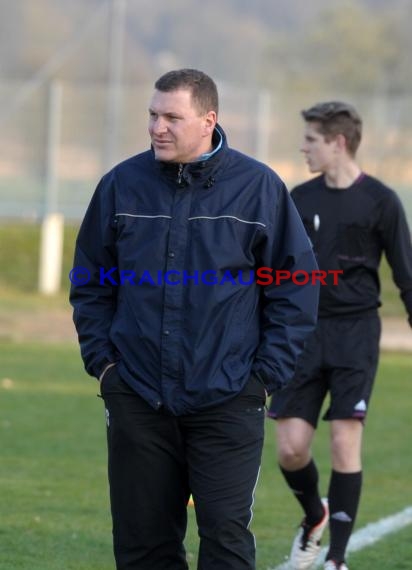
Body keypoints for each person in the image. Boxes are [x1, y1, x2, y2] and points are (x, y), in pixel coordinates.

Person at [69, 68, 319, 570]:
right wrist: (105, 366)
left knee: (225, 543)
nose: (157, 127)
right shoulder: (121, 185)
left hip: (228, 399)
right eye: (153, 115)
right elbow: (91, 280)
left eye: (171, 117)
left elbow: (295, 288)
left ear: (208, 120)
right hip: (137, 396)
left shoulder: (259, 188)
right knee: (143, 548)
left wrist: (262, 377)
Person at [268, 101, 412, 570]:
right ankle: (314, 516)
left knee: (344, 442)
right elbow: (274, 272)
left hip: (355, 335)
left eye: (311, 140)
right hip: (303, 336)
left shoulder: (382, 202)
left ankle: (335, 559)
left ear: (338, 143)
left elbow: (406, 277)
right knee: (290, 449)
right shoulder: (298, 198)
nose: (303, 147)